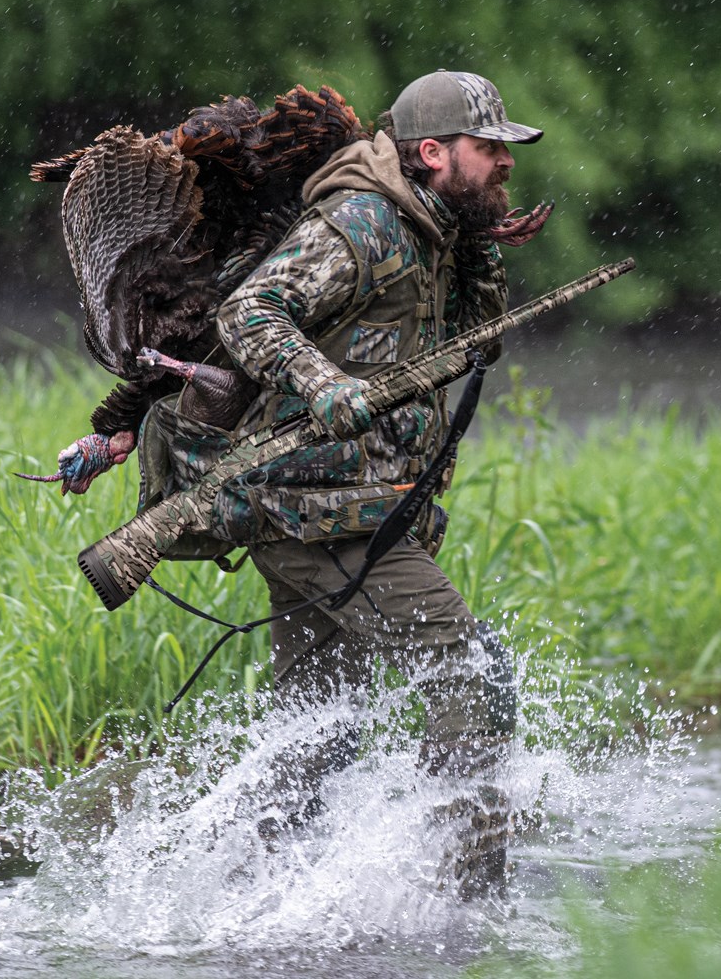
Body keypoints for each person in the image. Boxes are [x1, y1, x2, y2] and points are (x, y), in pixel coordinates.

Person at [211, 70, 544, 895]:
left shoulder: (438, 231)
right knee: (474, 678)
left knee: (318, 734)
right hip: (327, 513)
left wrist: (481, 246)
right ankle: (462, 906)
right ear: (432, 152)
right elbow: (248, 312)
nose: (506, 161)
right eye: (488, 147)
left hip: (342, 512)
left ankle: (251, 903)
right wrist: (324, 385)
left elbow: (475, 345)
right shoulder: (363, 222)